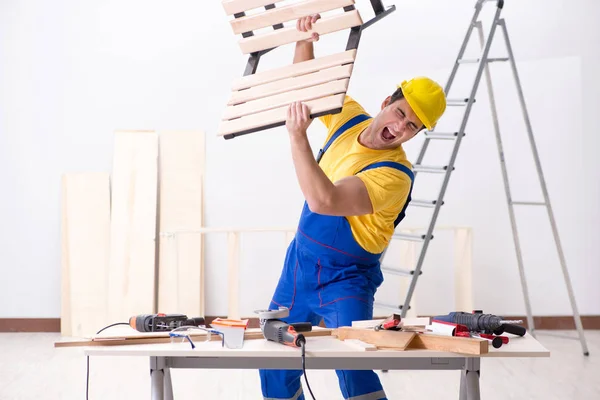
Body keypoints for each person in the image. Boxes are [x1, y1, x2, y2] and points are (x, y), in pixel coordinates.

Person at [258, 14, 447, 400]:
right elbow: (308, 86)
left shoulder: (394, 176)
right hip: (299, 265)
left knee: (354, 363)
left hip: (347, 278)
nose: (398, 127)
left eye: (411, 126)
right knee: (275, 358)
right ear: (386, 102)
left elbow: (324, 200)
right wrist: (305, 38)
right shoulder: (347, 119)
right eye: (400, 113)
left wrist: (297, 138)